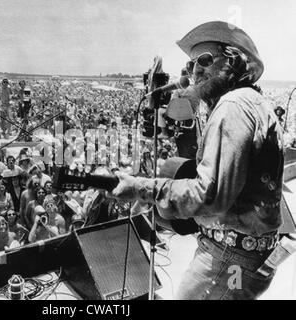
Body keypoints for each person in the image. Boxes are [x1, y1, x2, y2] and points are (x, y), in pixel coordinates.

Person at [109, 21, 283, 300]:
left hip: (230, 258)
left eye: (204, 60)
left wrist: (142, 188)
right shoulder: (252, 101)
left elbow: (209, 194)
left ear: (232, 61)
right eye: (190, 65)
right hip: (248, 254)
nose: (195, 70)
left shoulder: (233, 107)